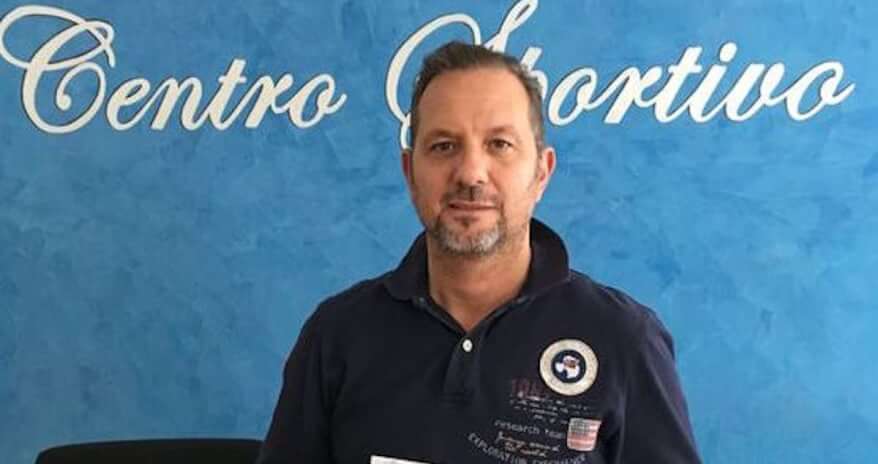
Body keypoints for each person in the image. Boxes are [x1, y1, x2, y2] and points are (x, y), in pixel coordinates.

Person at [256, 41, 702, 464]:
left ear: (541, 172)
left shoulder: (624, 339)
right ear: (410, 172)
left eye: (499, 144)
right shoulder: (336, 335)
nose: (471, 173)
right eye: (444, 146)